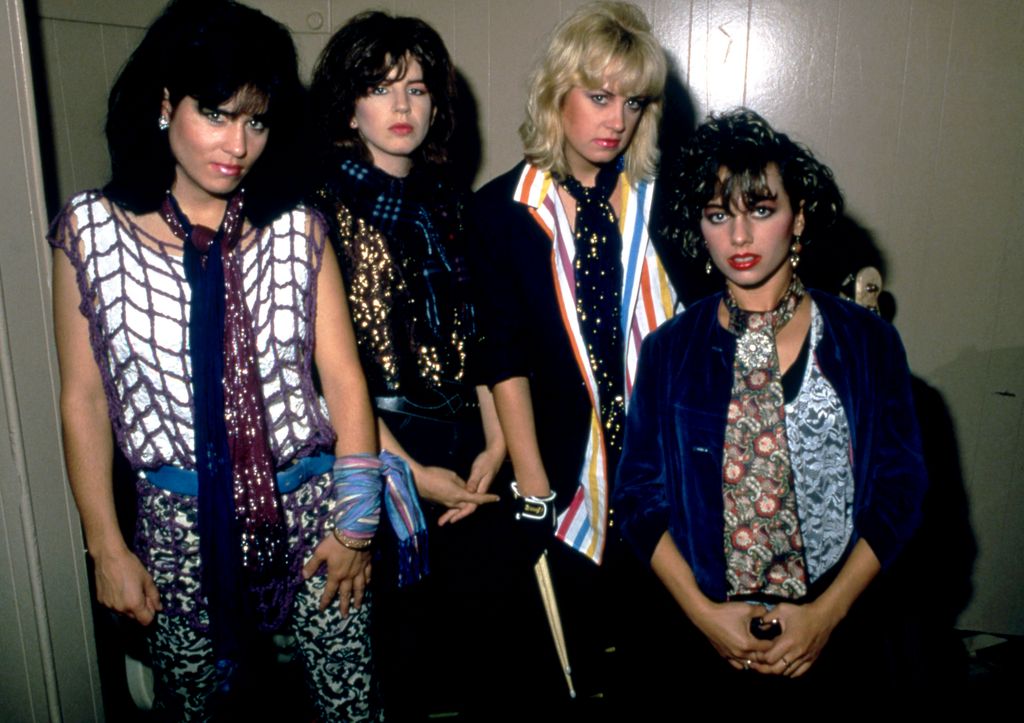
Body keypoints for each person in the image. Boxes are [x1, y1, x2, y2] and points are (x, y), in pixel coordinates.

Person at [48, 1, 393, 719]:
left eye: (256, 122)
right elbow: (84, 398)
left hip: (310, 510)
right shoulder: (91, 232)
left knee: (351, 706)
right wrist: (105, 547)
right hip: (176, 524)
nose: (237, 144)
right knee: (195, 709)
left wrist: (356, 527)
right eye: (215, 113)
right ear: (165, 104)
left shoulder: (297, 229)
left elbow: (343, 380)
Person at [614, 108, 928, 697]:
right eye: (718, 215)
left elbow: (900, 492)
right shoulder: (669, 350)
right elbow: (636, 500)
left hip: (837, 638)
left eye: (761, 210)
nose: (739, 237)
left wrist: (826, 617)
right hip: (703, 642)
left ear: (799, 217)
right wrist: (705, 615)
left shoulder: (866, 342)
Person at [471, 0, 680, 706]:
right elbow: (501, 354)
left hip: (659, 465)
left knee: (654, 660)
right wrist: (534, 487)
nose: (616, 119)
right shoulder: (501, 210)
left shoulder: (663, 202)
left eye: (633, 101)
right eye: (599, 96)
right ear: (556, 93)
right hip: (561, 470)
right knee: (561, 665)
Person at [308, 12, 505, 719]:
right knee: (397, 665)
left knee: (478, 659)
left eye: (416, 89)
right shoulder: (317, 211)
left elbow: (486, 336)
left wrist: (498, 443)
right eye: (380, 87)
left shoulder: (454, 203)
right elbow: (326, 374)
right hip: (375, 452)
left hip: (469, 446)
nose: (401, 106)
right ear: (348, 106)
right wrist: (414, 473)